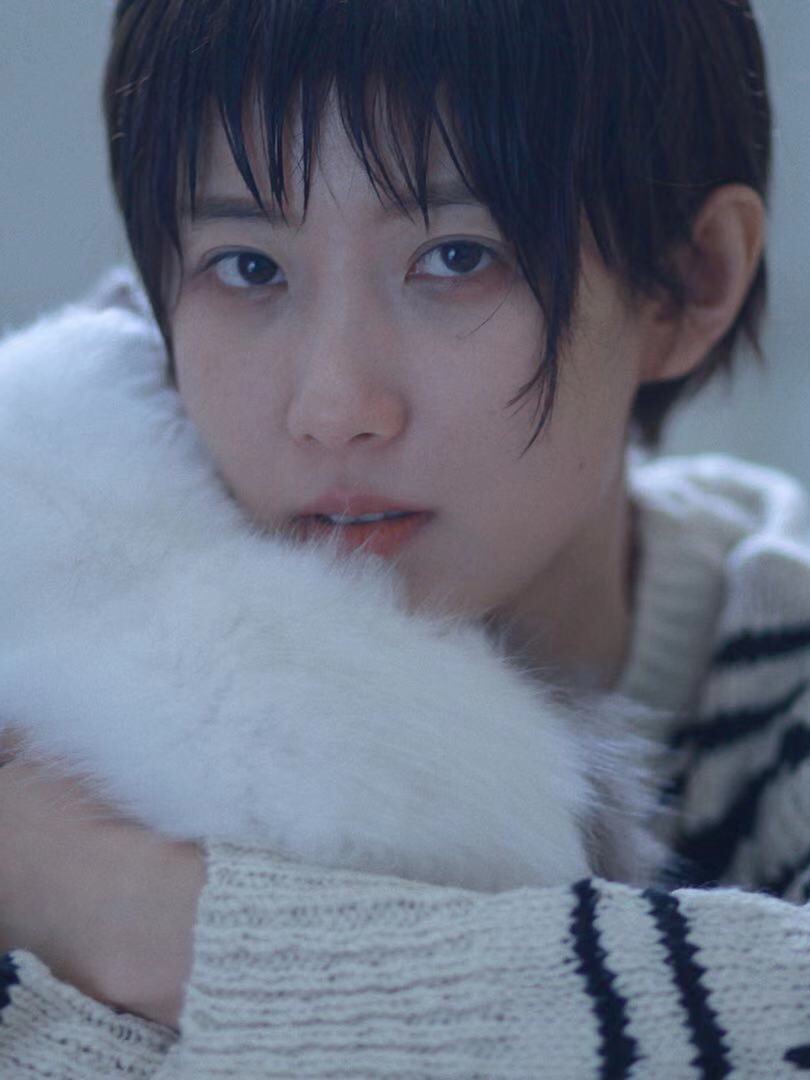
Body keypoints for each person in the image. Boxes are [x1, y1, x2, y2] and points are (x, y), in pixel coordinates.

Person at [1, 0, 810, 1075]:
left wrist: (162, 930)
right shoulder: (50, 697)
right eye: (248, 268)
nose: (334, 405)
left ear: (687, 281)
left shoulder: (783, 667)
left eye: (457, 257)